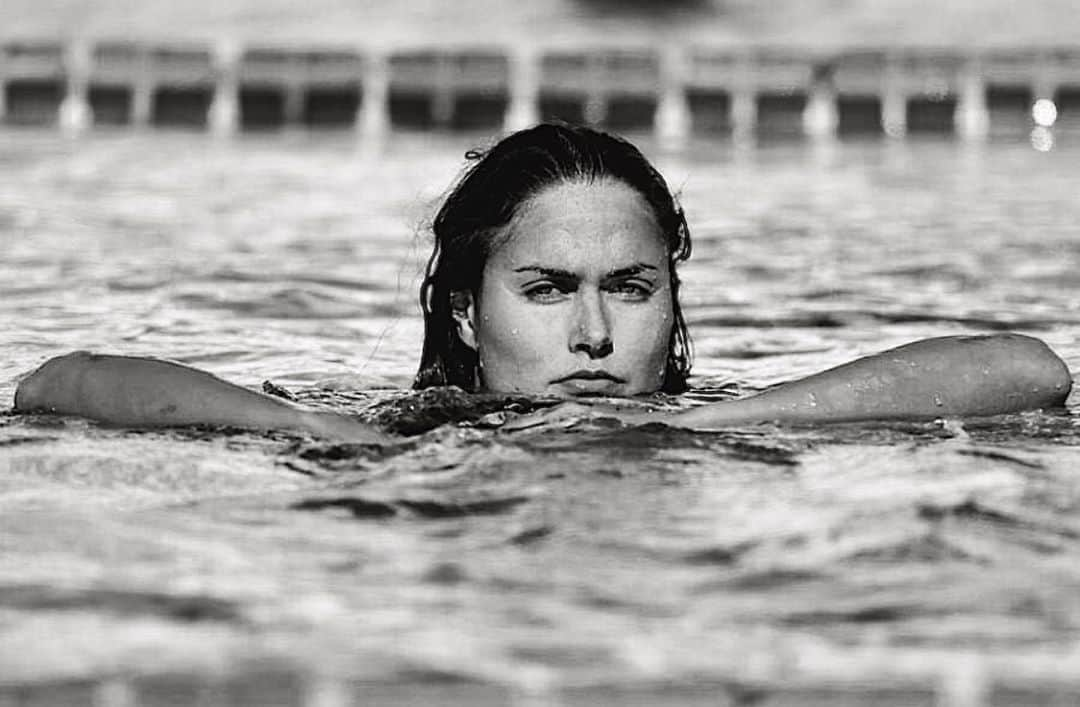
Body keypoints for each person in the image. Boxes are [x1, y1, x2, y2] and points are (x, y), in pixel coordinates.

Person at [12, 123, 1073, 440]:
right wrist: (337, 442)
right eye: (551, 289)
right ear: (470, 311)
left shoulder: (726, 426)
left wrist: (733, 423)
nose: (599, 335)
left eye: (634, 286)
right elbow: (60, 381)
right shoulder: (405, 435)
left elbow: (1025, 366)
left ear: (674, 296)